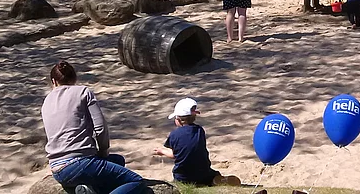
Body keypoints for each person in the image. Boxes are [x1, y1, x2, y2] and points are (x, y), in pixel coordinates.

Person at [41, 61, 145, 194]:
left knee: (118, 160)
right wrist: (103, 151)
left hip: (57, 169)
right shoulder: (83, 92)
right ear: (75, 78)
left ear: (53, 81)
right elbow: (100, 127)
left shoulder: (46, 101)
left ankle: (90, 190)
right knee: (136, 181)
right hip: (79, 162)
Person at [153, 98, 239, 187]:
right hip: (203, 173)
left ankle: (191, 183)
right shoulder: (200, 130)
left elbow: (175, 154)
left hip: (183, 177)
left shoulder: (174, 134)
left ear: (178, 119)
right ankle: (215, 180)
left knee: (180, 175)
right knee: (214, 174)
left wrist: (162, 151)